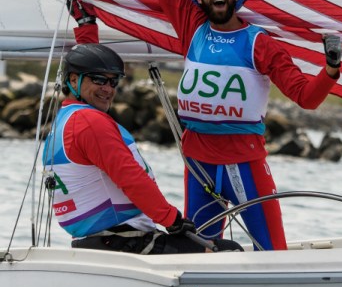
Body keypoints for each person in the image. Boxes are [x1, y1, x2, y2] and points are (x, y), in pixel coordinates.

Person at [133, 0, 342, 250]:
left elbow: (306, 98)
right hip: (198, 164)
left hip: (244, 165)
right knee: (199, 254)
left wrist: (330, 70)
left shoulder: (259, 43)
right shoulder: (190, 26)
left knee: (273, 254)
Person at [43, 40, 242, 254]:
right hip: (123, 241)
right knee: (229, 251)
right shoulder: (89, 121)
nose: (108, 89)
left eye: (114, 82)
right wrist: (171, 219)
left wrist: (86, 26)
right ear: (73, 79)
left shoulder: (65, 121)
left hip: (97, 242)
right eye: (99, 80)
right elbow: (130, 177)